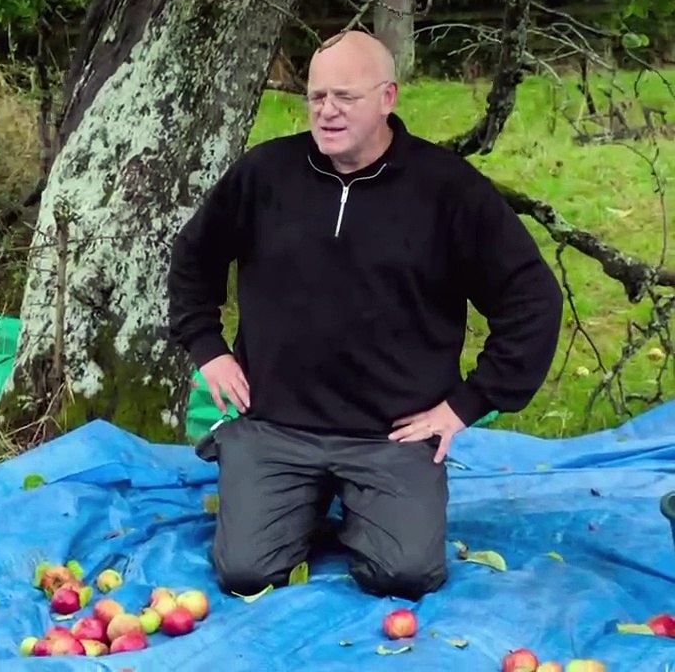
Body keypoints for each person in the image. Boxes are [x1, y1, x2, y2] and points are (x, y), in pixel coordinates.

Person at [166, 31, 564, 601]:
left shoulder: (447, 191)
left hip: (392, 433)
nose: (327, 111)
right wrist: (208, 346)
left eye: (345, 97)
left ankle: (364, 503)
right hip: (276, 421)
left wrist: (466, 404)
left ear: (388, 97)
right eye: (316, 96)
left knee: (404, 575)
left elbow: (532, 298)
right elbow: (193, 255)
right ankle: (271, 477)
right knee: (246, 572)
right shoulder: (265, 174)